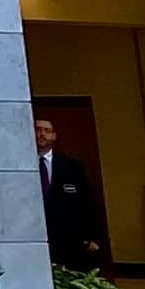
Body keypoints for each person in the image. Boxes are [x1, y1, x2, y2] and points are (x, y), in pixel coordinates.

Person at [35, 116, 110, 276]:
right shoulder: (18, 166)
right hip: (35, 237)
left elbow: (87, 203)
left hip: (69, 241)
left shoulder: (72, 166)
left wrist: (92, 238)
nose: (41, 134)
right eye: (37, 130)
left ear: (54, 136)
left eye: (46, 131)